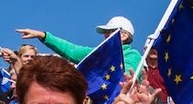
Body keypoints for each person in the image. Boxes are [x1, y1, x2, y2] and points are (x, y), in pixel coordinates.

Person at [15, 14, 144, 74]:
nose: (105, 35)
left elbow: (123, 78)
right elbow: (72, 50)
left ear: (123, 35)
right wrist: (43, 35)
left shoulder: (133, 56)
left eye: (109, 31)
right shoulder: (98, 53)